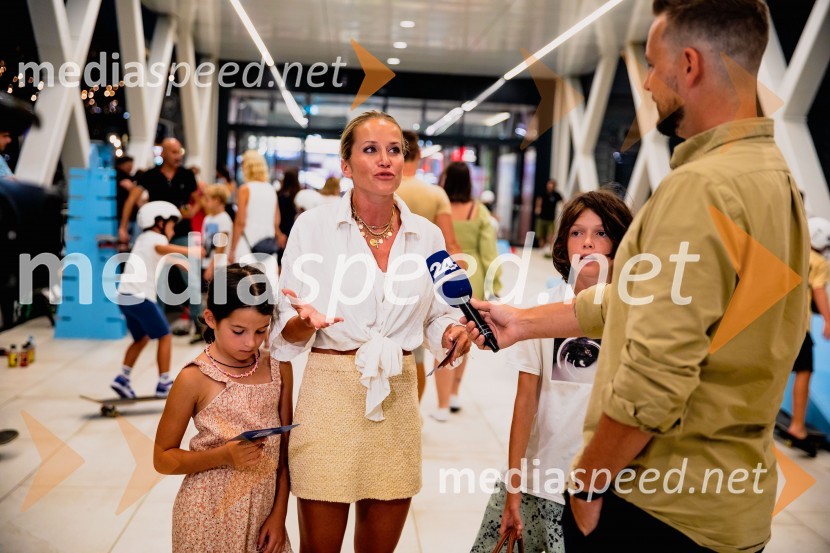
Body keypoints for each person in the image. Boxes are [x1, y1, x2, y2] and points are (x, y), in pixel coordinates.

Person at [464, 1, 808, 551]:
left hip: (661, 508)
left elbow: (656, 378)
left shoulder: (701, 189)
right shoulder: (773, 177)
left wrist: (586, 481)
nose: (646, 83)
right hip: (732, 500)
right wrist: (523, 322)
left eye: (652, 64)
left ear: (689, 65)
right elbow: (632, 298)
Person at [271, 110, 471, 553]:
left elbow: (439, 316)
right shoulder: (314, 228)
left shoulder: (428, 236)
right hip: (329, 395)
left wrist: (452, 335)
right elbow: (284, 330)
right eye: (370, 150)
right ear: (345, 165)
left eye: (394, 150)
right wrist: (304, 322)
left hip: (397, 395)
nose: (385, 160)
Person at [471, 190, 632, 553]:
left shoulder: (636, 312)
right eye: (577, 232)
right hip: (541, 479)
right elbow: (525, 401)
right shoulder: (540, 311)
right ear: (563, 242)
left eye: (602, 233)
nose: (588, 242)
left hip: (606, 483)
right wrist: (514, 484)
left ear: (620, 242)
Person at [154, 264, 293, 553]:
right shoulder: (193, 378)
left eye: (261, 331)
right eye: (239, 331)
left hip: (264, 516)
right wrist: (223, 456)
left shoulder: (279, 368)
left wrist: (279, 516)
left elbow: (285, 455)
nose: (251, 342)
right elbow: (162, 458)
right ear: (211, 319)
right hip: (206, 517)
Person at [431, 161, 503, 421]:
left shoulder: (440, 208)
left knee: (444, 337)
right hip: (472, 277)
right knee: (466, 337)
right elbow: (489, 252)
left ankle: (440, 405)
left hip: (442, 278)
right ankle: (454, 394)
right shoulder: (479, 211)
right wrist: (495, 286)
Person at [110, 201, 203, 399]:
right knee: (165, 336)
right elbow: (161, 248)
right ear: (159, 222)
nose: (172, 229)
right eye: (171, 224)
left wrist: (178, 261)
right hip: (139, 296)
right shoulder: (155, 237)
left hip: (125, 296)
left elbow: (159, 255)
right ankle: (164, 383)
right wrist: (189, 252)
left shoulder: (143, 239)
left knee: (141, 338)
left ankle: (123, 378)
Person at [397, 130, 464, 400]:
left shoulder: (385, 189)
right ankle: (413, 418)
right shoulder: (435, 194)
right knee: (416, 358)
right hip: (421, 282)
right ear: (419, 155)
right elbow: (450, 245)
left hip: (381, 279)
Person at [783, 217, 830, 455]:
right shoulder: (819, 262)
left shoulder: (791, 250)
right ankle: (797, 425)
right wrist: (829, 320)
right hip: (800, 326)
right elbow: (819, 290)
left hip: (777, 321)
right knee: (804, 371)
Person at [118, 138, 198, 244]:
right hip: (156, 232)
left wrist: (192, 211)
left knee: (183, 260)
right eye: (174, 152)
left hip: (182, 231)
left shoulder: (187, 175)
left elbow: (199, 199)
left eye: (179, 152)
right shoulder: (150, 175)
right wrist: (123, 227)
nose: (178, 156)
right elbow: (131, 199)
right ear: (163, 153)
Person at [190, 184, 234, 343]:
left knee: (217, 298)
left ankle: (218, 332)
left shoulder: (224, 219)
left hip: (218, 264)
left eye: (207, 200)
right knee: (207, 298)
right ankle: (207, 330)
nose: (204, 203)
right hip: (206, 261)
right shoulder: (208, 219)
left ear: (217, 200)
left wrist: (211, 266)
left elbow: (221, 246)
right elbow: (205, 240)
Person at [230, 150, 284, 264]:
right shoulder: (271, 189)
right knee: (265, 280)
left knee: (244, 279)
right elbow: (276, 221)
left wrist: (232, 249)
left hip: (246, 243)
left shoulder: (245, 189)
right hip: (267, 245)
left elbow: (240, 222)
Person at [534, 179, 562, 253]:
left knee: (550, 235)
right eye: (549, 184)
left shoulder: (556, 194)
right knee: (540, 235)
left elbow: (563, 202)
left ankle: (548, 249)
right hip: (542, 217)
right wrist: (538, 208)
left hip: (551, 219)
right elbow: (539, 201)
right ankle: (542, 249)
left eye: (552, 184)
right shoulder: (543, 193)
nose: (550, 186)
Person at [114, 156, 138, 242]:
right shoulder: (119, 177)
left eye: (131, 165)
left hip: (129, 214)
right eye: (128, 165)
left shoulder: (130, 178)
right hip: (122, 213)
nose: (130, 167)